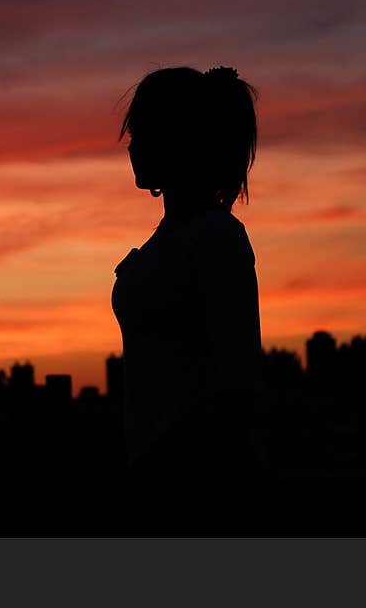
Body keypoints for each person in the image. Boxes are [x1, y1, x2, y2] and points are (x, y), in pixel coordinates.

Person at [111, 66, 267, 482]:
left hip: (193, 478)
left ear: (177, 140)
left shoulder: (216, 239)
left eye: (142, 133)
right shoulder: (175, 239)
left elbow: (234, 386)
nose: (132, 146)